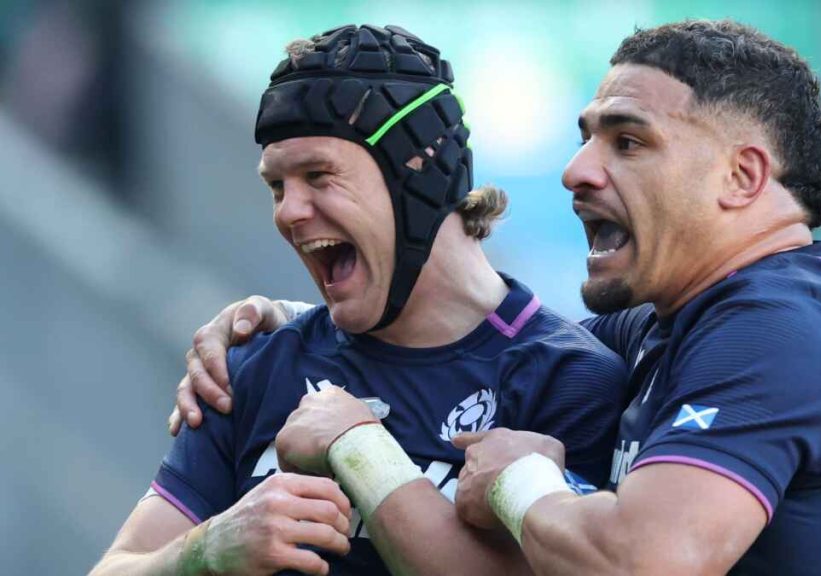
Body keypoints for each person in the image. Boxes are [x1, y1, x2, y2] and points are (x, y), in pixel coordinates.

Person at [176, 20, 821, 575]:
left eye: (627, 143)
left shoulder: (776, 327)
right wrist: (294, 323)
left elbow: (643, 564)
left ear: (742, 178)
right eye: (586, 138)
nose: (577, 171)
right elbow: (484, 327)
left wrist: (509, 478)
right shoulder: (692, 322)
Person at [91, 24, 626, 576]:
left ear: (419, 170)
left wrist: (360, 450)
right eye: (277, 187)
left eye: (318, 175)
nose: (288, 212)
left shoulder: (569, 378)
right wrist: (206, 549)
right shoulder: (253, 365)